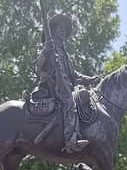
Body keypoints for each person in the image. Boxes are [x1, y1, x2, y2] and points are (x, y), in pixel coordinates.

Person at [34, 12, 98, 154]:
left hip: (66, 86)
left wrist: (89, 79)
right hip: (52, 86)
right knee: (69, 102)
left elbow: (74, 75)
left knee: (83, 97)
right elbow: (38, 67)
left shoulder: (65, 53)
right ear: (53, 30)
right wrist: (45, 52)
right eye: (59, 28)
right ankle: (70, 141)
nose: (62, 30)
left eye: (64, 28)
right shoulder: (48, 47)